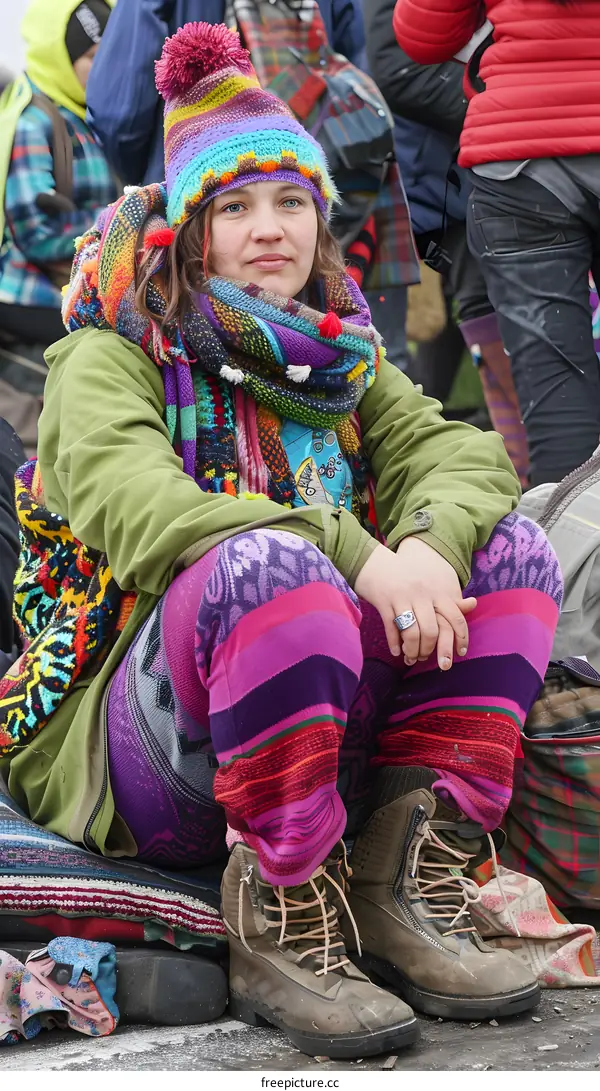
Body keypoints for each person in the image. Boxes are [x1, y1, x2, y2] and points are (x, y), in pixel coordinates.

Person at [0, 23, 561, 1057]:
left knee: (509, 553)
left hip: (314, 731)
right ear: (190, 230)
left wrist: (426, 548)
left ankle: (397, 891)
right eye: (236, 206)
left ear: (321, 219)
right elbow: (149, 516)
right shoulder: (108, 356)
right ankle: (286, 919)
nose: (271, 229)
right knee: (270, 567)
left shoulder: (338, 359)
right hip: (148, 748)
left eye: (292, 201)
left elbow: (467, 457)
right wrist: (356, 549)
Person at [394, 0, 600, 488]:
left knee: (556, 399)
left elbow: (423, 34)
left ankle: (574, 536)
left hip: (522, 157)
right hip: (521, 152)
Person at [365, 0, 530, 481]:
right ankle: (533, 481)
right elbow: (395, 67)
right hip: (456, 177)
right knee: (480, 310)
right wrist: (504, 106)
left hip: (509, 161)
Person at [0, 0, 118, 451]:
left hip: (80, 283)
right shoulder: (35, 120)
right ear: (61, 59)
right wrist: (119, 224)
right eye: (91, 57)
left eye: (110, 56)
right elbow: (37, 232)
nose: (103, 69)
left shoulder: (87, 115)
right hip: (31, 294)